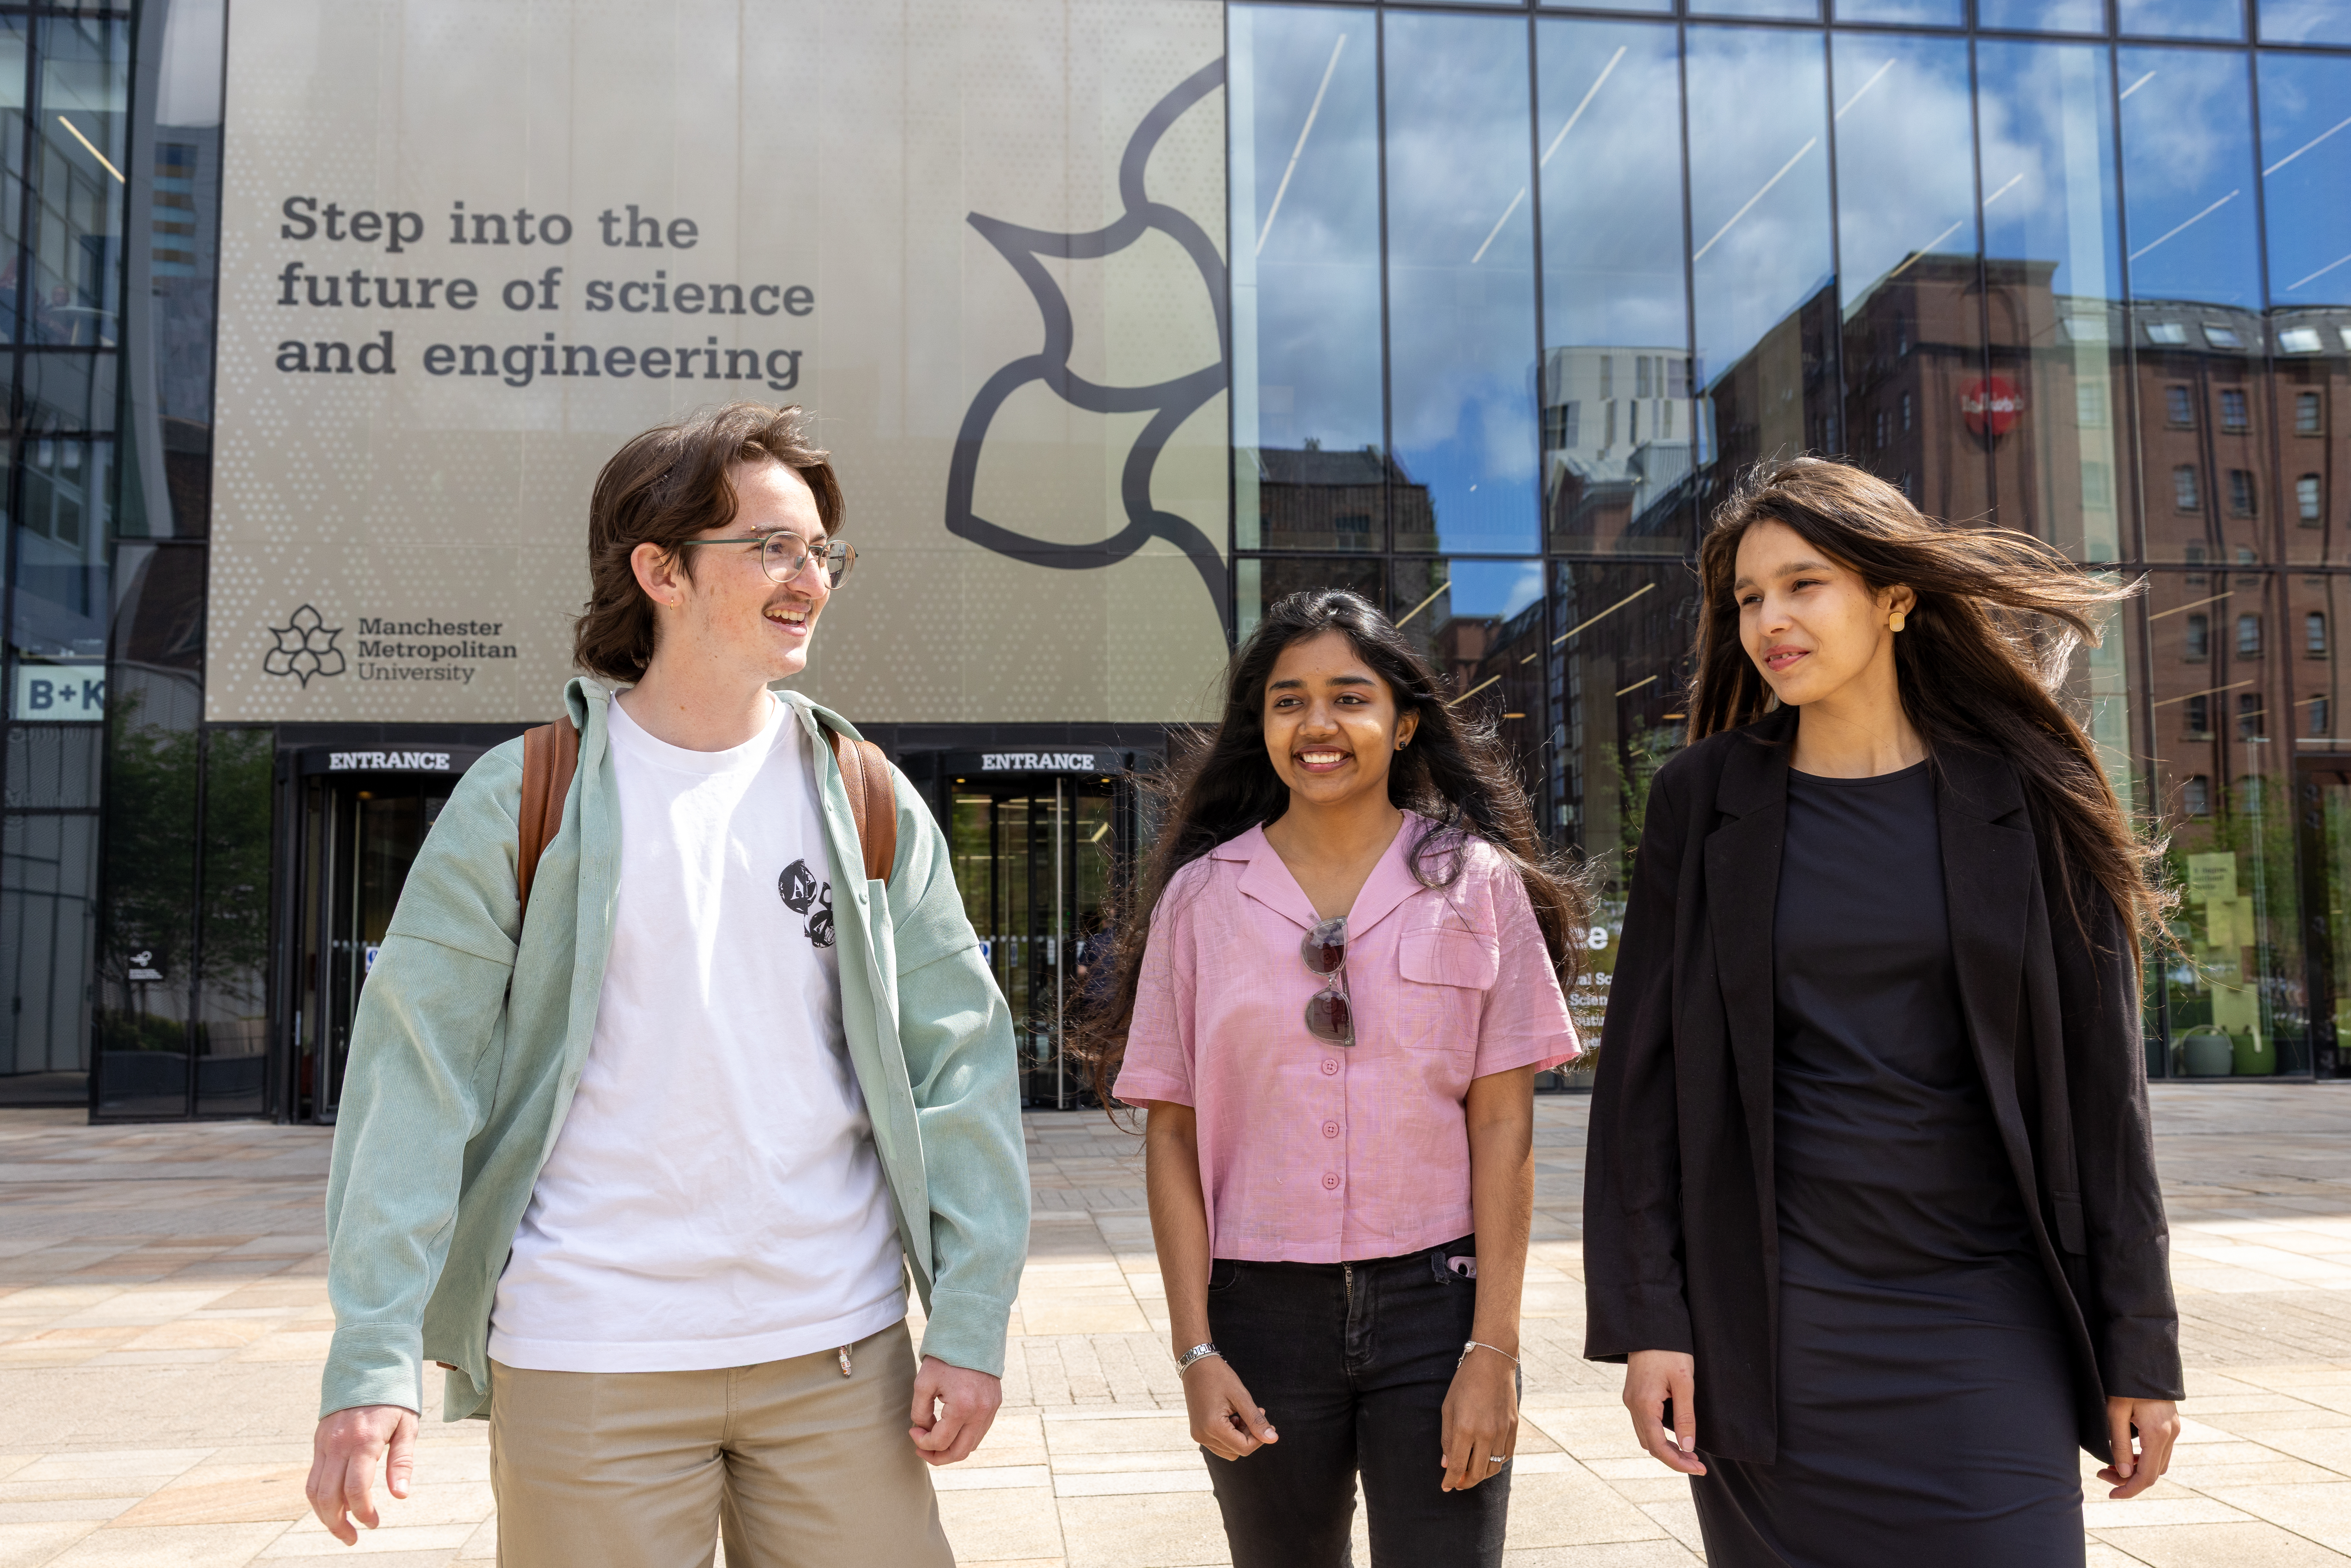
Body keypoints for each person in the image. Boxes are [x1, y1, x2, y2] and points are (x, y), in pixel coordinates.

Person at [304, 403, 1029, 1565]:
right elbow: (414, 1082)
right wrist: (372, 1358)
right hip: (589, 1357)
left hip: (841, 1355)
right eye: (773, 547)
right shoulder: (523, 797)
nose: (810, 580)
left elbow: (963, 1072)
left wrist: (973, 1317)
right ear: (661, 571)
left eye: (822, 552)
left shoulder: (866, 796)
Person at [1584, 458, 2185, 1566]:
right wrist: (1649, 1322)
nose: (1769, 620)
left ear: (1895, 597)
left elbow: (2110, 1097)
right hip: (1775, 1327)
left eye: (1803, 584)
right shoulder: (1702, 800)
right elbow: (1644, 1083)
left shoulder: (2028, 791)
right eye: (1748, 598)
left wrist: (2140, 1347)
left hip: (1986, 1310)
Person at [1085, 588, 1584, 1568]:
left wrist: (1495, 1348)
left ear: (1404, 723)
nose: (1318, 724)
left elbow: (1503, 1127)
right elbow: (1174, 1133)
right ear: (1261, 726)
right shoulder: (1202, 899)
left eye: (1350, 698)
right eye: (1289, 701)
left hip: (1440, 1310)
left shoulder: (1477, 882)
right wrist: (1196, 1351)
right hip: (1259, 1319)